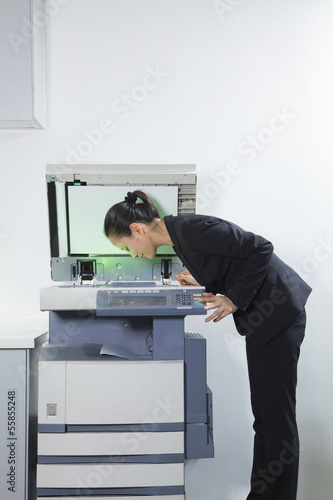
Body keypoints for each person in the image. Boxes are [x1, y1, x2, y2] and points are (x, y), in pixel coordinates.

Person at [104, 190, 312, 500]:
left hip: (278, 315)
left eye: (125, 246)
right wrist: (203, 279)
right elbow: (232, 263)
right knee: (267, 418)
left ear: (137, 229)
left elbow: (261, 248)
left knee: (276, 420)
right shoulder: (180, 238)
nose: (131, 254)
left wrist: (232, 299)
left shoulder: (190, 230)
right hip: (266, 320)